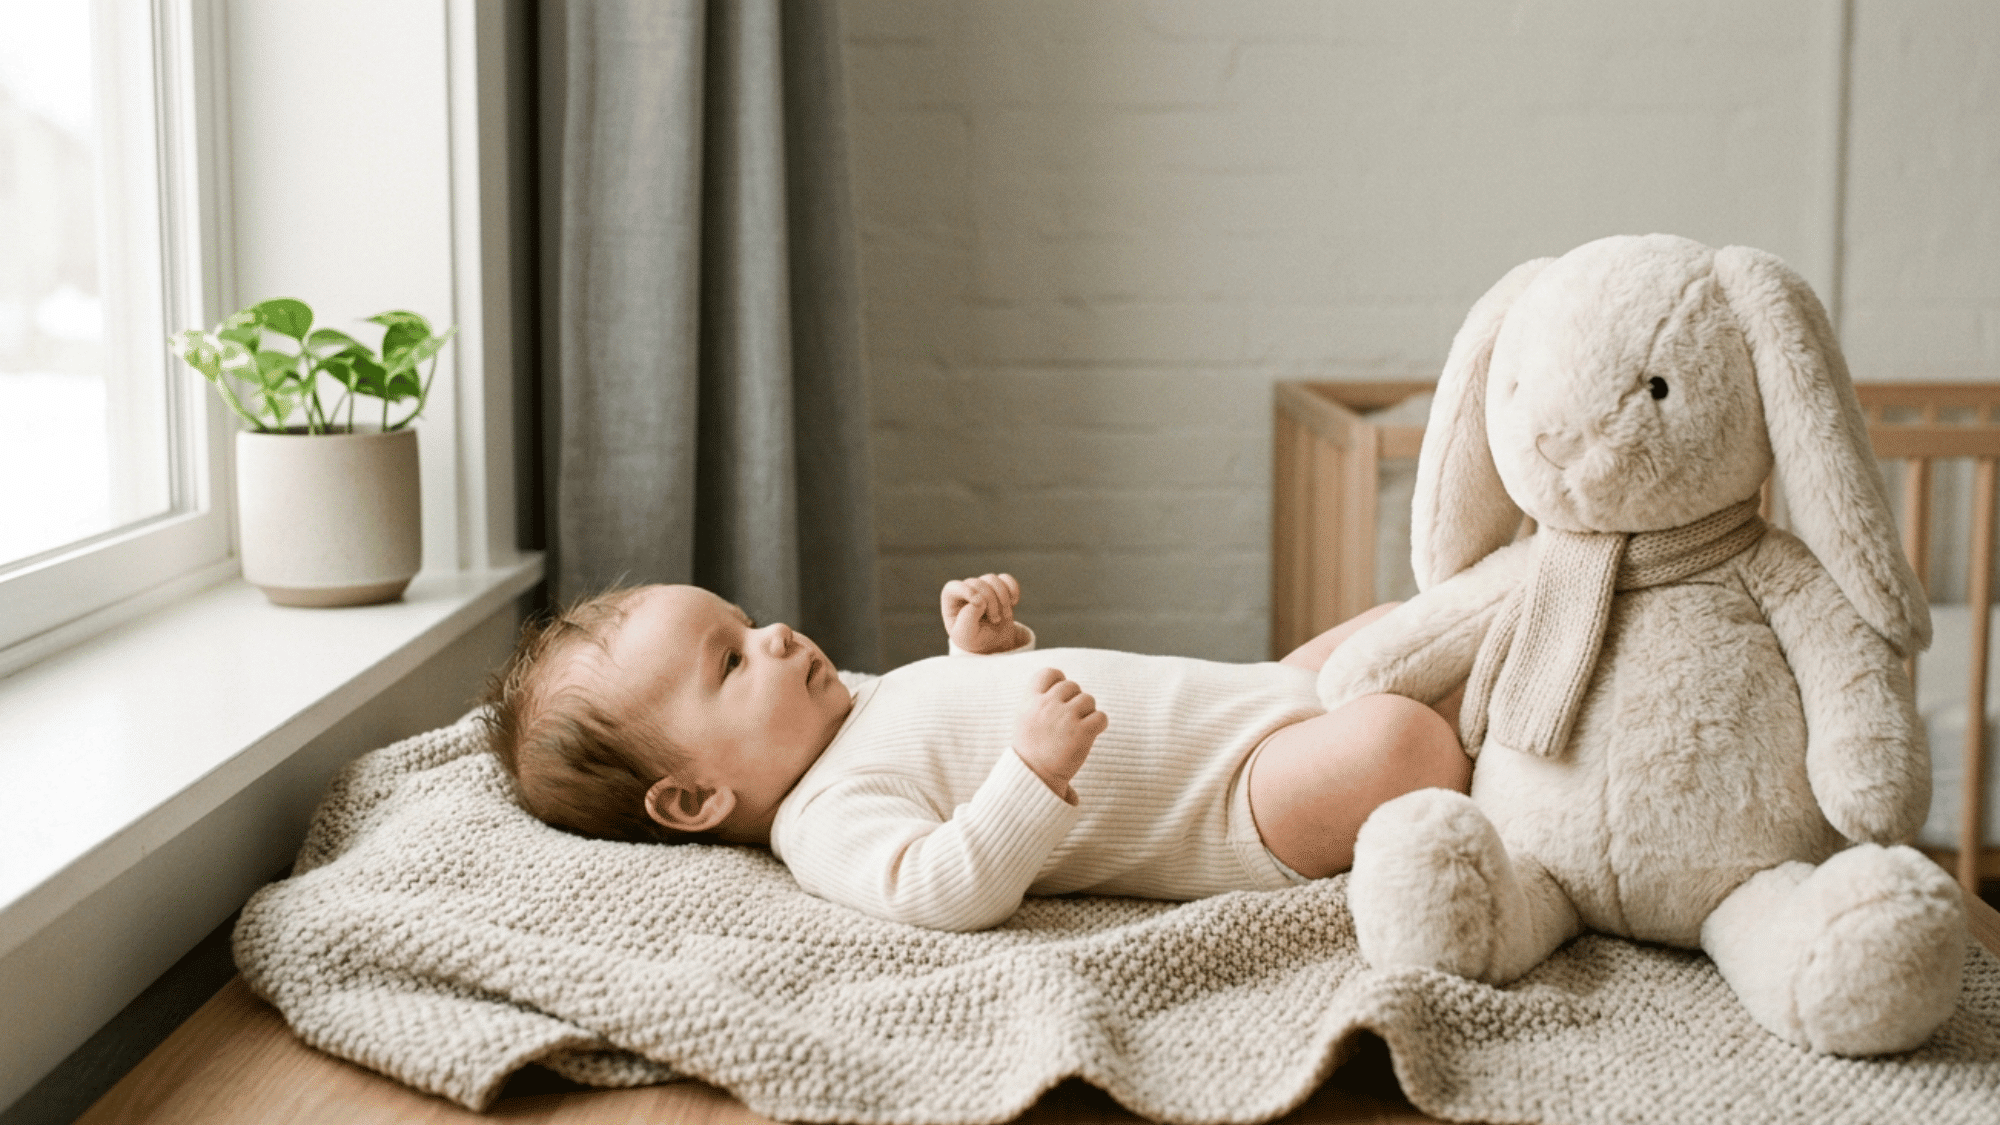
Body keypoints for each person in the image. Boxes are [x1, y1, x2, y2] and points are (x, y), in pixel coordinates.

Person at [483, 575, 1468, 931]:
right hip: (1235, 804)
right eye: (732, 661)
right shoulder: (823, 818)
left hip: (1251, 691)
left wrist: (981, 656)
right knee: (1397, 740)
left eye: (747, 620)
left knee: (1404, 620)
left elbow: (955, 717)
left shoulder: (849, 710)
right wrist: (1032, 773)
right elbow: (939, 886)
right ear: (694, 799)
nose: (777, 633)